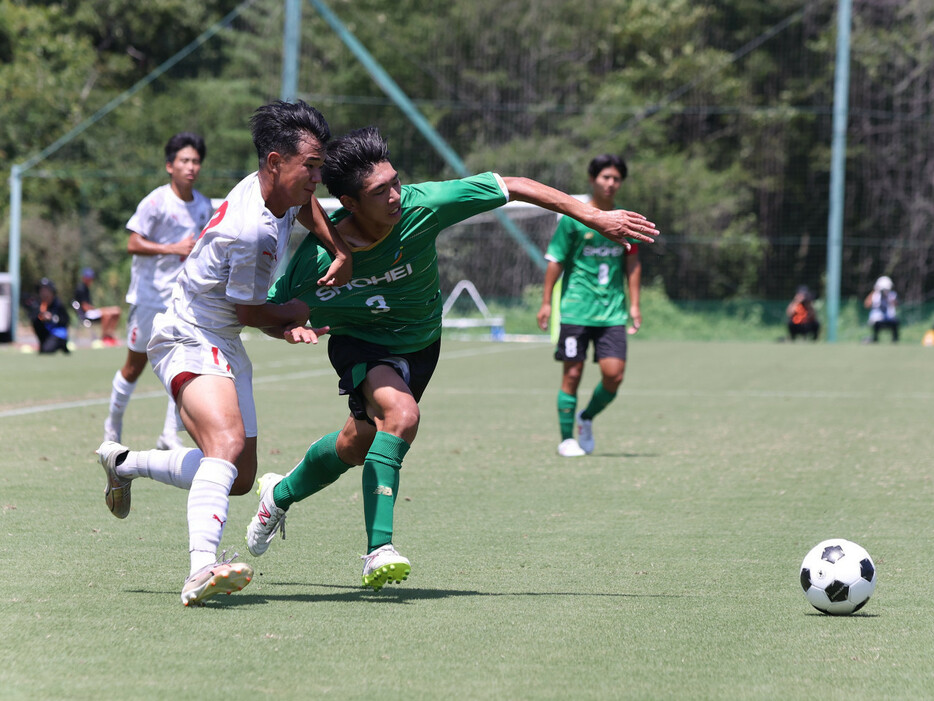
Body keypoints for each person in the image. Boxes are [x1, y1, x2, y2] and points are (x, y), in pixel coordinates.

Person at [243, 127, 659, 590]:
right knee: (401, 417)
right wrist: (289, 326)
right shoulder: (321, 258)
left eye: (395, 182)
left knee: (355, 444)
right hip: (360, 344)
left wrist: (592, 216)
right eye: (380, 192)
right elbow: (264, 310)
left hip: (422, 343)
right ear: (349, 202)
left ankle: (278, 495)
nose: (396, 196)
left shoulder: (425, 204)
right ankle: (378, 550)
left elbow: (512, 185)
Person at [95, 100, 352, 606]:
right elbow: (248, 311)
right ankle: (200, 568)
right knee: (227, 444)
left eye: (320, 167)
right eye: (312, 167)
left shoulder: (279, 190)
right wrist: (303, 311)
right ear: (276, 162)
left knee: (240, 477)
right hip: (186, 334)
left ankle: (126, 462)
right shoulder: (248, 228)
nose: (318, 179)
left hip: (223, 339)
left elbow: (306, 208)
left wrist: (339, 248)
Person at [103, 132, 214, 451]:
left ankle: (169, 434)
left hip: (182, 300)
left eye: (195, 161)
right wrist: (172, 248)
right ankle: (113, 423)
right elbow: (132, 243)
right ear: (170, 166)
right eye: (184, 161)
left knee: (183, 363)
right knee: (134, 367)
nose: (191, 167)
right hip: (148, 298)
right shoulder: (156, 202)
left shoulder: (205, 205)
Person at [535, 154, 641, 458]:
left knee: (614, 375)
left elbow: (632, 264)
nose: (610, 183)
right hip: (576, 310)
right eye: (605, 177)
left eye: (616, 178)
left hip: (612, 312)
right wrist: (546, 303)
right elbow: (555, 261)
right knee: (572, 374)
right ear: (593, 179)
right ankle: (566, 439)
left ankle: (586, 417)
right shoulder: (574, 218)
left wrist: (635, 305)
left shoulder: (625, 220)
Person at [73, 267, 121, 345]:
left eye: (91, 278)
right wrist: (100, 309)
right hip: (86, 314)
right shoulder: (81, 288)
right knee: (107, 315)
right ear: (84, 278)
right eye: (88, 277)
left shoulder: (86, 288)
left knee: (117, 311)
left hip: (91, 312)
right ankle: (104, 338)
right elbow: (85, 307)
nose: (90, 280)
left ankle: (110, 335)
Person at [29, 278, 70, 354]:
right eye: (42, 290)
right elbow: (33, 317)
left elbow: (66, 320)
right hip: (47, 334)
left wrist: (53, 318)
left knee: (47, 350)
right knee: (36, 322)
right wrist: (41, 317)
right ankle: (43, 344)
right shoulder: (39, 304)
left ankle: (62, 345)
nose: (44, 293)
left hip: (58, 334)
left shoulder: (58, 304)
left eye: (46, 290)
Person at [865, 275, 899, 343]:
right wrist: (874, 292)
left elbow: (896, 304)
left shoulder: (892, 295)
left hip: (889, 318)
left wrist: (890, 299)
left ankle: (895, 340)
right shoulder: (875, 295)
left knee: (896, 322)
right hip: (877, 319)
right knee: (876, 324)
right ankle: (875, 338)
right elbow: (867, 304)